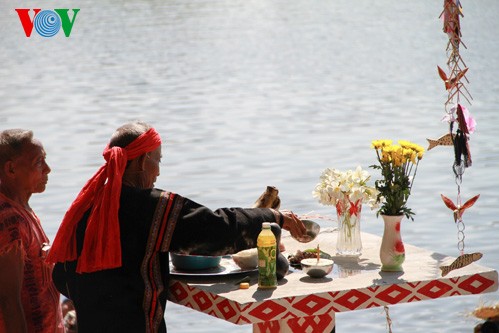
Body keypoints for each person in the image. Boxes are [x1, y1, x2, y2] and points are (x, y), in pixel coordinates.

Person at [47, 121, 307, 333]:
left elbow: (61, 275)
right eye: (157, 161)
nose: (158, 172)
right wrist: (272, 218)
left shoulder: (86, 205)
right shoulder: (150, 207)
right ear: (141, 162)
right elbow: (215, 229)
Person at [0, 129, 64, 333]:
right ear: (11, 169)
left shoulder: (21, 207)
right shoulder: (9, 220)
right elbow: (8, 301)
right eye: (38, 162)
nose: (48, 169)